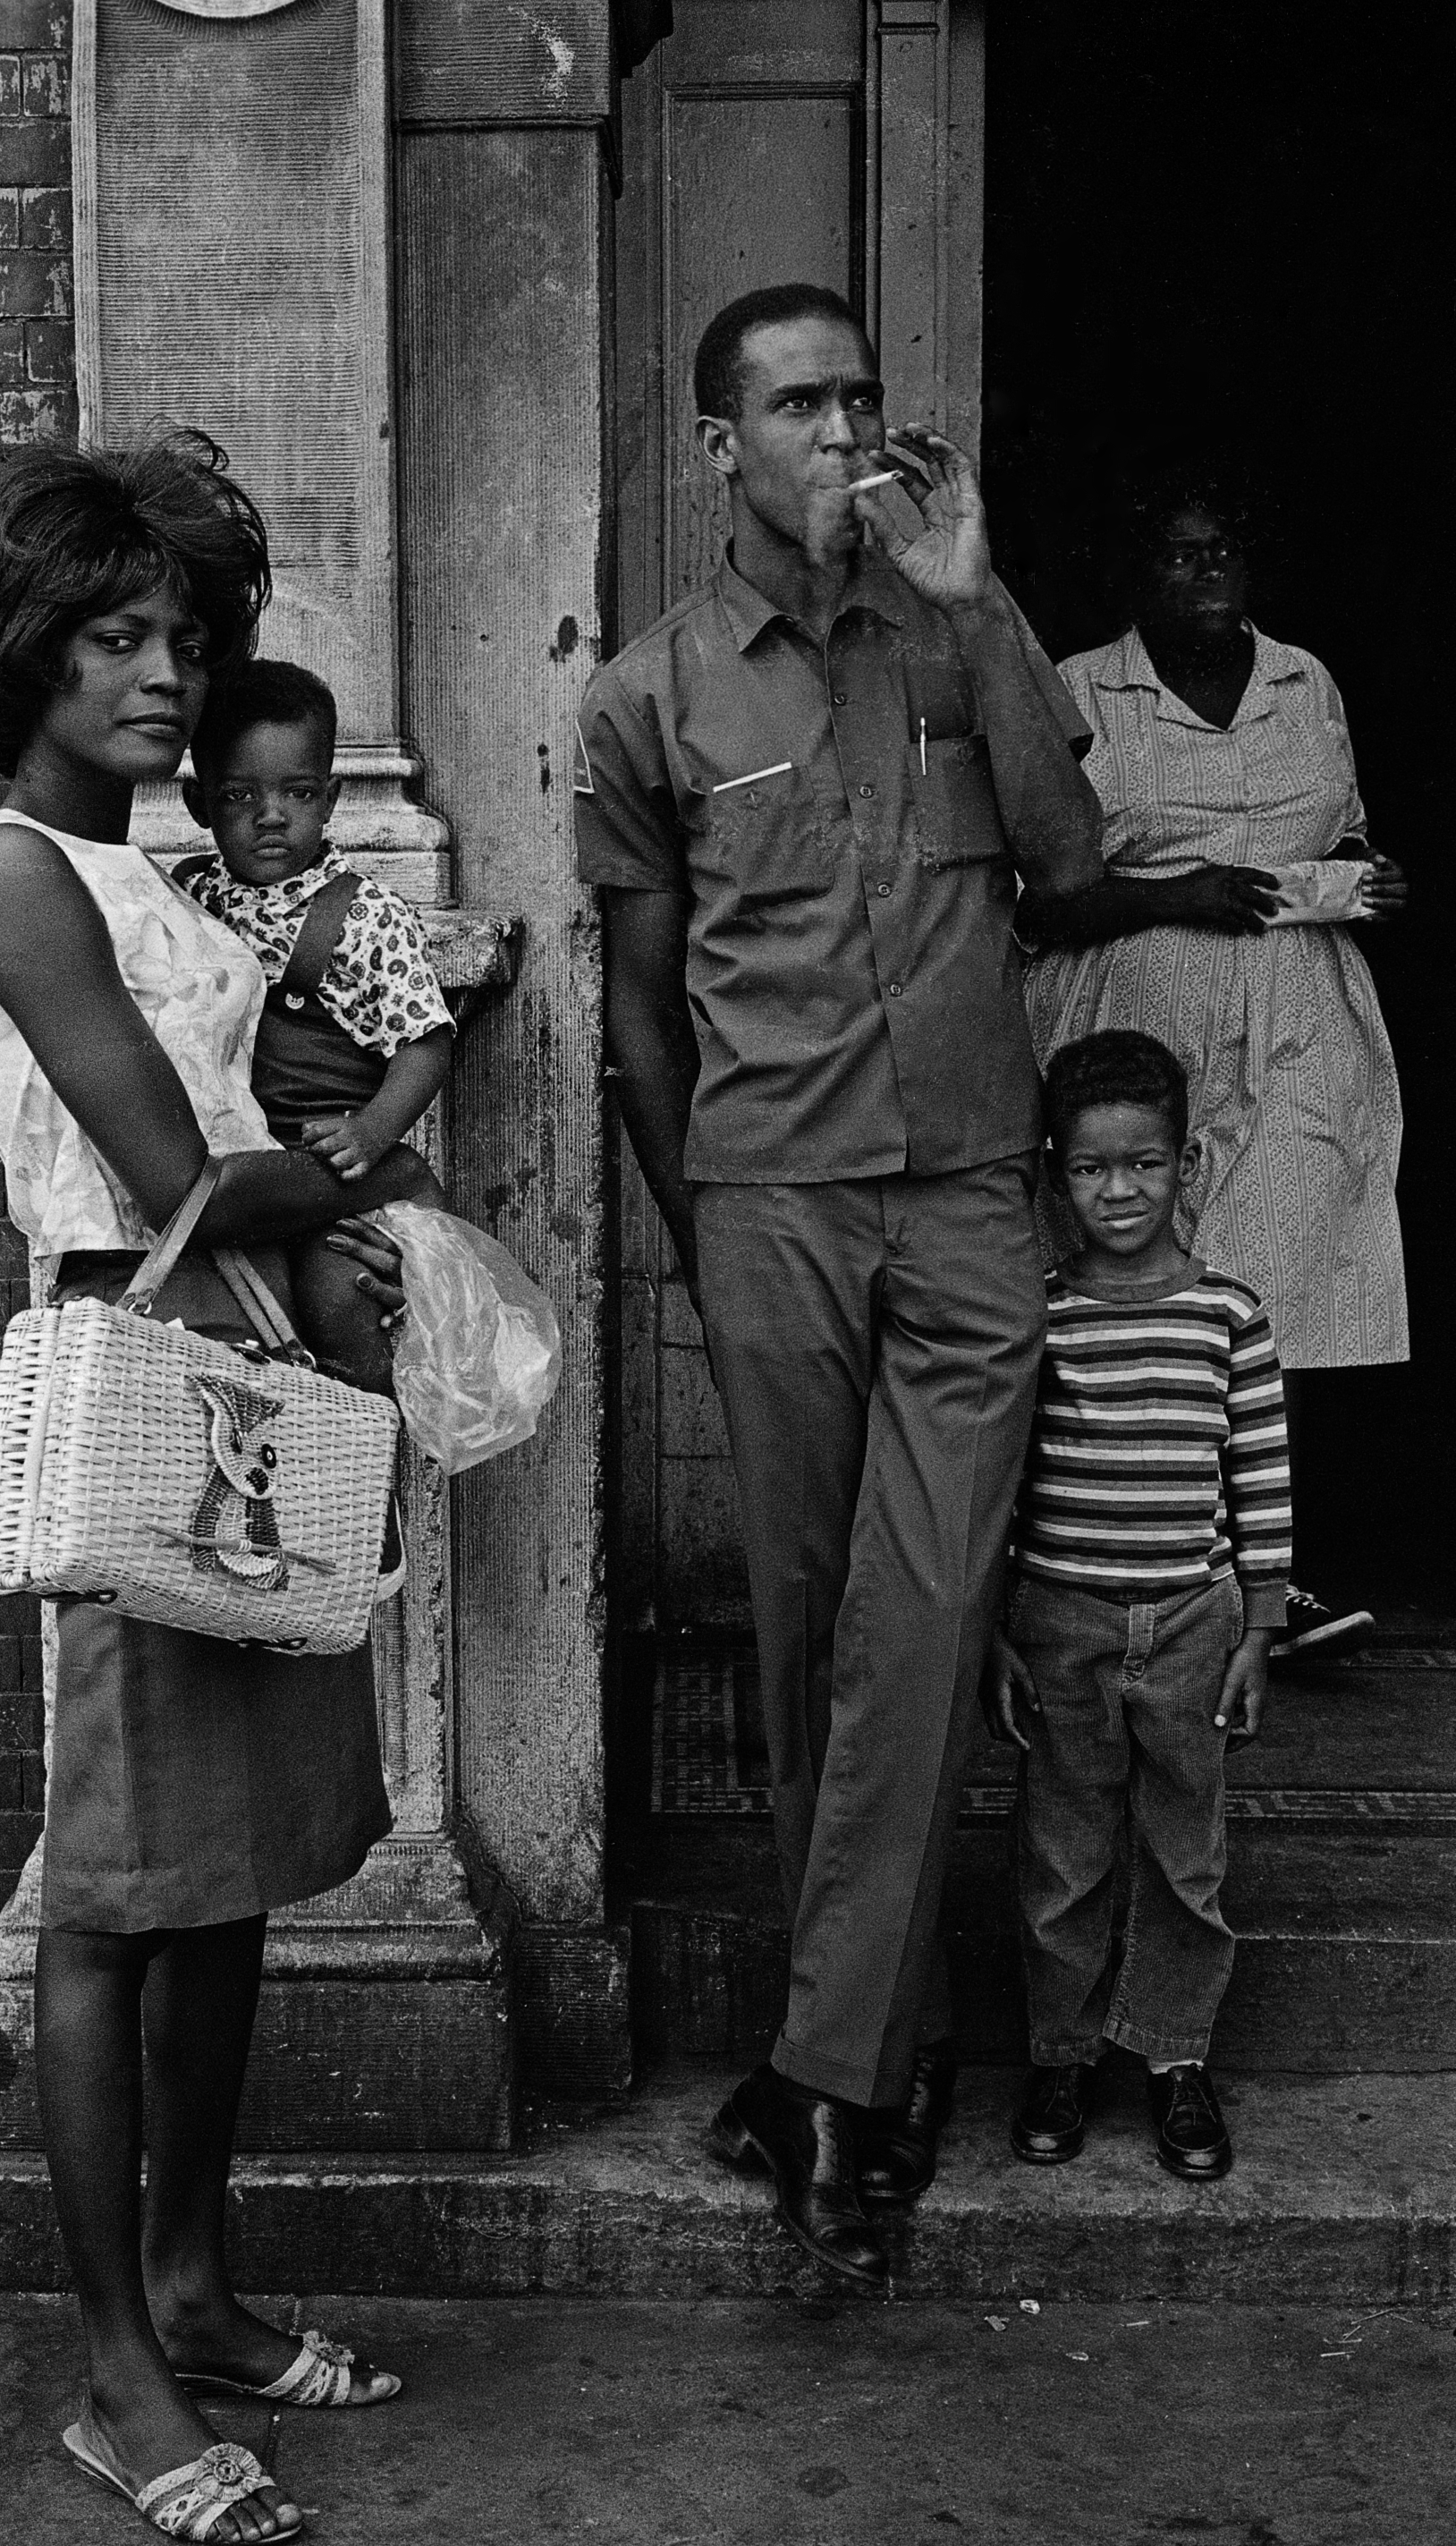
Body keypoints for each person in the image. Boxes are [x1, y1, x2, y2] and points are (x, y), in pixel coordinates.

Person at [577, 281, 1103, 2289]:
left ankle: (819, 2080)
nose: (844, 433)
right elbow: (640, 1016)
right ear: (723, 445)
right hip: (770, 1203)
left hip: (967, 1196)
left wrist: (982, 599)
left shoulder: (960, 634)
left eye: (860, 398)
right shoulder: (649, 696)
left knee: (925, 1617)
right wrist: (703, 1220)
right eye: (802, 405)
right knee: (806, 1640)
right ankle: (880, 2058)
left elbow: (1067, 864)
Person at [0, 434, 410, 2545]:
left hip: (249, 1374)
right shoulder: (12, 869)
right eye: (117, 636)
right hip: (140, 1374)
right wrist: (364, 1171)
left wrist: (318, 1244)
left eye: (187, 642)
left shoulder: (159, 871)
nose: (163, 676)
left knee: (228, 1875)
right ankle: (119, 2380)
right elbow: (178, 1176)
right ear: (32, 649)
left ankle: (197, 2289)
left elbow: (242, 1149)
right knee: (115, 1898)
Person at [1019, 480, 1408, 1665]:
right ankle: (1132, 1575)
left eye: (1224, 548)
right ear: (1132, 574)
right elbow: (1031, 899)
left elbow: (1335, 829)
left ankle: (1259, 1581)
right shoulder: (1080, 688)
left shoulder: (1304, 680)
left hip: (1299, 1014)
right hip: (1133, 1012)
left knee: (1267, 1292)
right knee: (1137, 1284)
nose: (1206, 570)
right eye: (1178, 553)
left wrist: (1361, 873)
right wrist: (1173, 893)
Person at [983, 1030, 1291, 2183]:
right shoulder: (1039, 1317)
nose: (1118, 1191)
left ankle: (1173, 2053)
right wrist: (994, 1630)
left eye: (1144, 1163)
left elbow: (1258, 1476)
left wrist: (1259, 1627)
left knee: (1183, 1852)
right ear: (1053, 1176)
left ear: (1186, 1162)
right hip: (1059, 1619)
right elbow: (1002, 1486)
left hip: (1193, 1622)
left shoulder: (1228, 1316)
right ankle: (1059, 2053)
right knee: (1061, 1853)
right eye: (1089, 1168)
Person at [175, 658, 454, 1389]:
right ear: (199, 802)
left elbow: (425, 1041)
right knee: (248, 1353)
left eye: (297, 793)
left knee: (343, 1306)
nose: (271, 815)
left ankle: (371, 1451)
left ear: (330, 799)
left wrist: (374, 1130)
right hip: (243, 1178)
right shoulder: (188, 898)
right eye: (239, 795)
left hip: (331, 1173)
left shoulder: (366, 916)